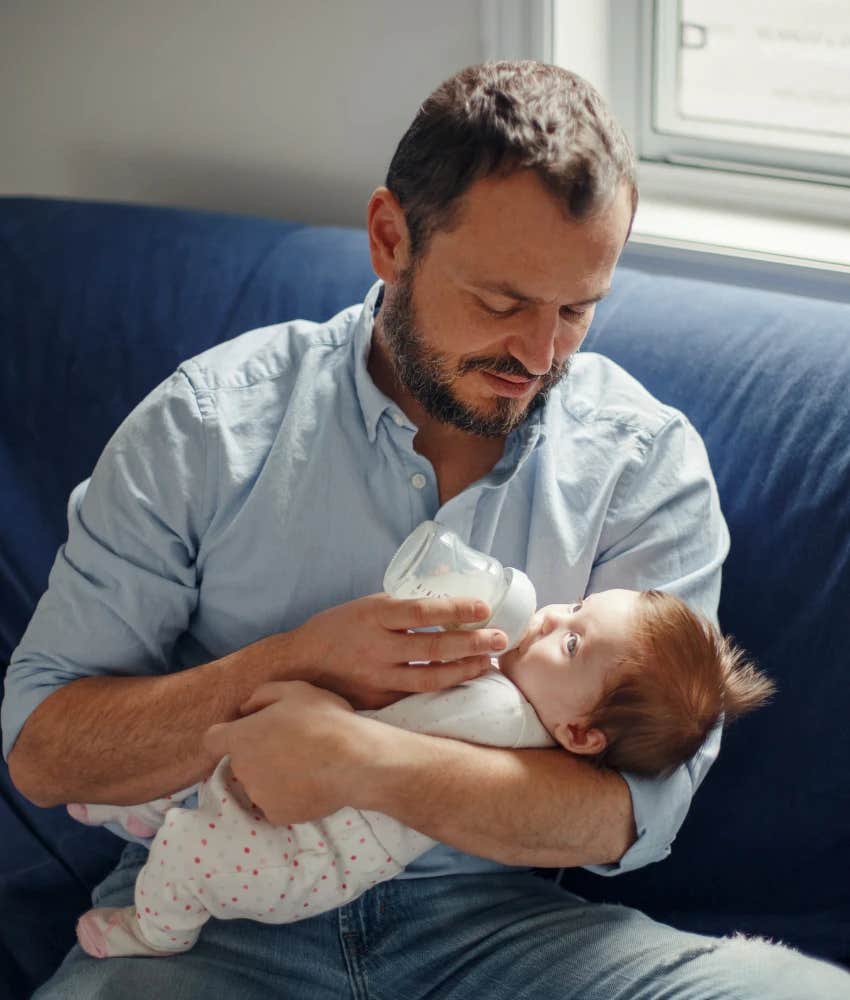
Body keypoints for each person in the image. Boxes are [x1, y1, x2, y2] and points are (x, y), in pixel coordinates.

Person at [4, 60, 848, 998]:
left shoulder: (644, 466)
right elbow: (43, 750)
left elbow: (628, 815)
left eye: (577, 310)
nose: (539, 356)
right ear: (389, 239)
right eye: (501, 303)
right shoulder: (208, 426)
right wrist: (286, 670)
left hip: (500, 933)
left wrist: (365, 760)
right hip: (207, 914)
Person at [68, 587, 774, 959]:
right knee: (227, 757)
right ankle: (148, 808)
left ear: (580, 733)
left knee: (196, 851)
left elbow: (370, 731)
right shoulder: (516, 698)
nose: (555, 611)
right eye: (580, 607)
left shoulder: (500, 718)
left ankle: (158, 928)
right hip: (297, 806)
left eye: (569, 639)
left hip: (306, 858)